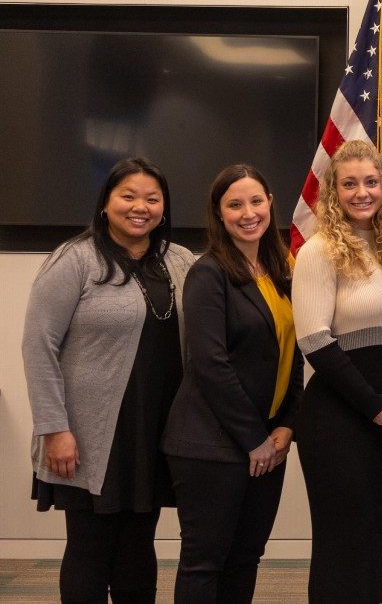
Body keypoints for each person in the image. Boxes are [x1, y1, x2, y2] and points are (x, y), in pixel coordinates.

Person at [22, 157, 195, 604]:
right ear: (105, 203)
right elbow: (37, 346)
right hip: (86, 435)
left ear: (164, 207)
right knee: (90, 547)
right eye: (128, 196)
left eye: (152, 199)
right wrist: (54, 428)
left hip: (154, 431)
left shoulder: (179, 261)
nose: (141, 207)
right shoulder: (75, 259)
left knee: (140, 545)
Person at [292, 139, 382, 604]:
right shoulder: (319, 251)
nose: (361, 192)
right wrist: (373, 405)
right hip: (342, 420)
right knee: (343, 547)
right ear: (332, 191)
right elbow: (314, 340)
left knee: (374, 543)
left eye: (370, 182)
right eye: (348, 183)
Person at [162, 164, 303, 603]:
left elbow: (295, 352)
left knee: (247, 558)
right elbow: (209, 364)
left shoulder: (283, 269)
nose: (248, 213)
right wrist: (254, 439)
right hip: (211, 444)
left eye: (256, 201)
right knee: (205, 563)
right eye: (235, 204)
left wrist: (286, 425)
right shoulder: (208, 273)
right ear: (219, 214)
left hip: (269, 440)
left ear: (270, 204)